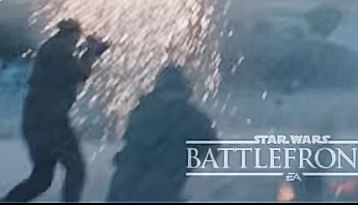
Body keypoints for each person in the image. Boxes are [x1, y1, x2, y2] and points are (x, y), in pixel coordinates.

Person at [4, 19, 109, 203]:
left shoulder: (54, 47)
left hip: (35, 122)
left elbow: (71, 67)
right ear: (73, 33)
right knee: (76, 169)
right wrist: (91, 51)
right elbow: (80, 73)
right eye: (78, 35)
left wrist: (90, 52)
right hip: (52, 122)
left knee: (41, 179)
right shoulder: (59, 48)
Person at [106, 65, 217, 202]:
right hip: (159, 191)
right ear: (183, 87)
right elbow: (212, 149)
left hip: (121, 189)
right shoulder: (190, 115)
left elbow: (131, 143)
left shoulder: (142, 110)